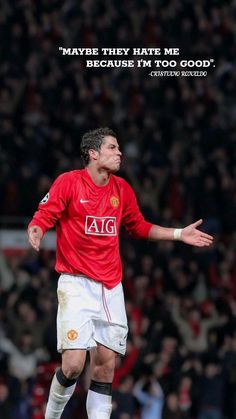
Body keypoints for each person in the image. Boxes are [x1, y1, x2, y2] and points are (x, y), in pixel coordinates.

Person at [27, 127, 213, 419]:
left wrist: (179, 234)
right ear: (93, 153)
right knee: (74, 365)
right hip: (76, 283)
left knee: (105, 366)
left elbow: (138, 227)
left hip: (111, 287)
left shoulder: (121, 189)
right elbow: (44, 215)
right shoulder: (69, 182)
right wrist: (36, 230)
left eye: (118, 148)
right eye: (112, 148)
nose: (119, 153)